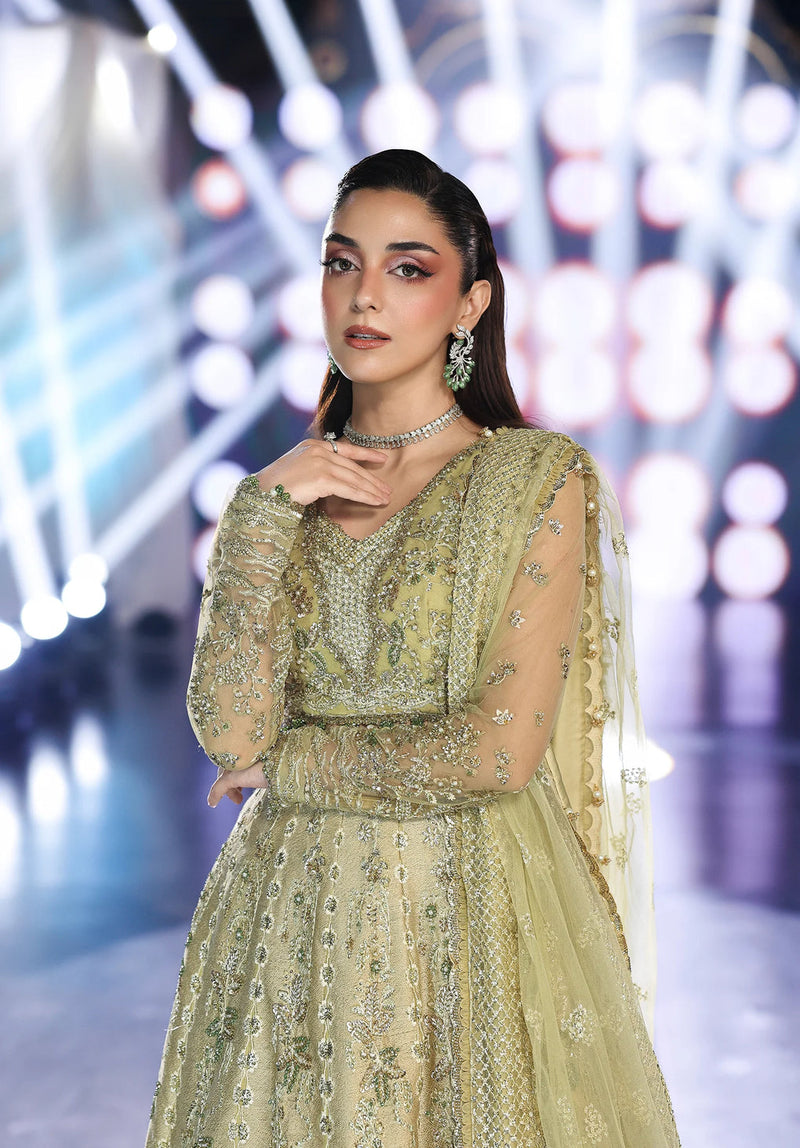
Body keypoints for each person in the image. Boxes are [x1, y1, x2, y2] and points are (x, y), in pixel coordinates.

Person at [145, 149, 682, 1147]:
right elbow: (231, 735)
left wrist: (296, 765)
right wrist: (260, 513)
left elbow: (497, 752)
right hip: (285, 918)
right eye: (340, 261)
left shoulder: (534, 480)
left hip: (463, 911)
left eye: (406, 268)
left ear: (470, 302)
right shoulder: (283, 496)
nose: (363, 295)